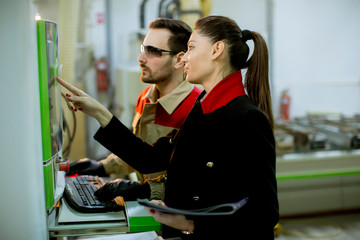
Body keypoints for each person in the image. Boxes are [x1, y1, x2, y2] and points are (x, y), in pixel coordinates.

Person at [58, 15, 279, 240]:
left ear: (217, 50)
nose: (184, 59)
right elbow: (151, 159)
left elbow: (263, 215)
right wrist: (98, 112)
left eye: (191, 48)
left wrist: (191, 223)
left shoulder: (246, 119)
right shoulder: (203, 106)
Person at [67, 18, 201, 201]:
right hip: (149, 207)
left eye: (153, 51)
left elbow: (194, 182)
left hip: (175, 214)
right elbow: (139, 149)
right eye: (143, 49)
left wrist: (141, 190)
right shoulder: (146, 97)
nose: (141, 59)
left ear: (179, 59)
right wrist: (103, 167)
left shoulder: (196, 108)